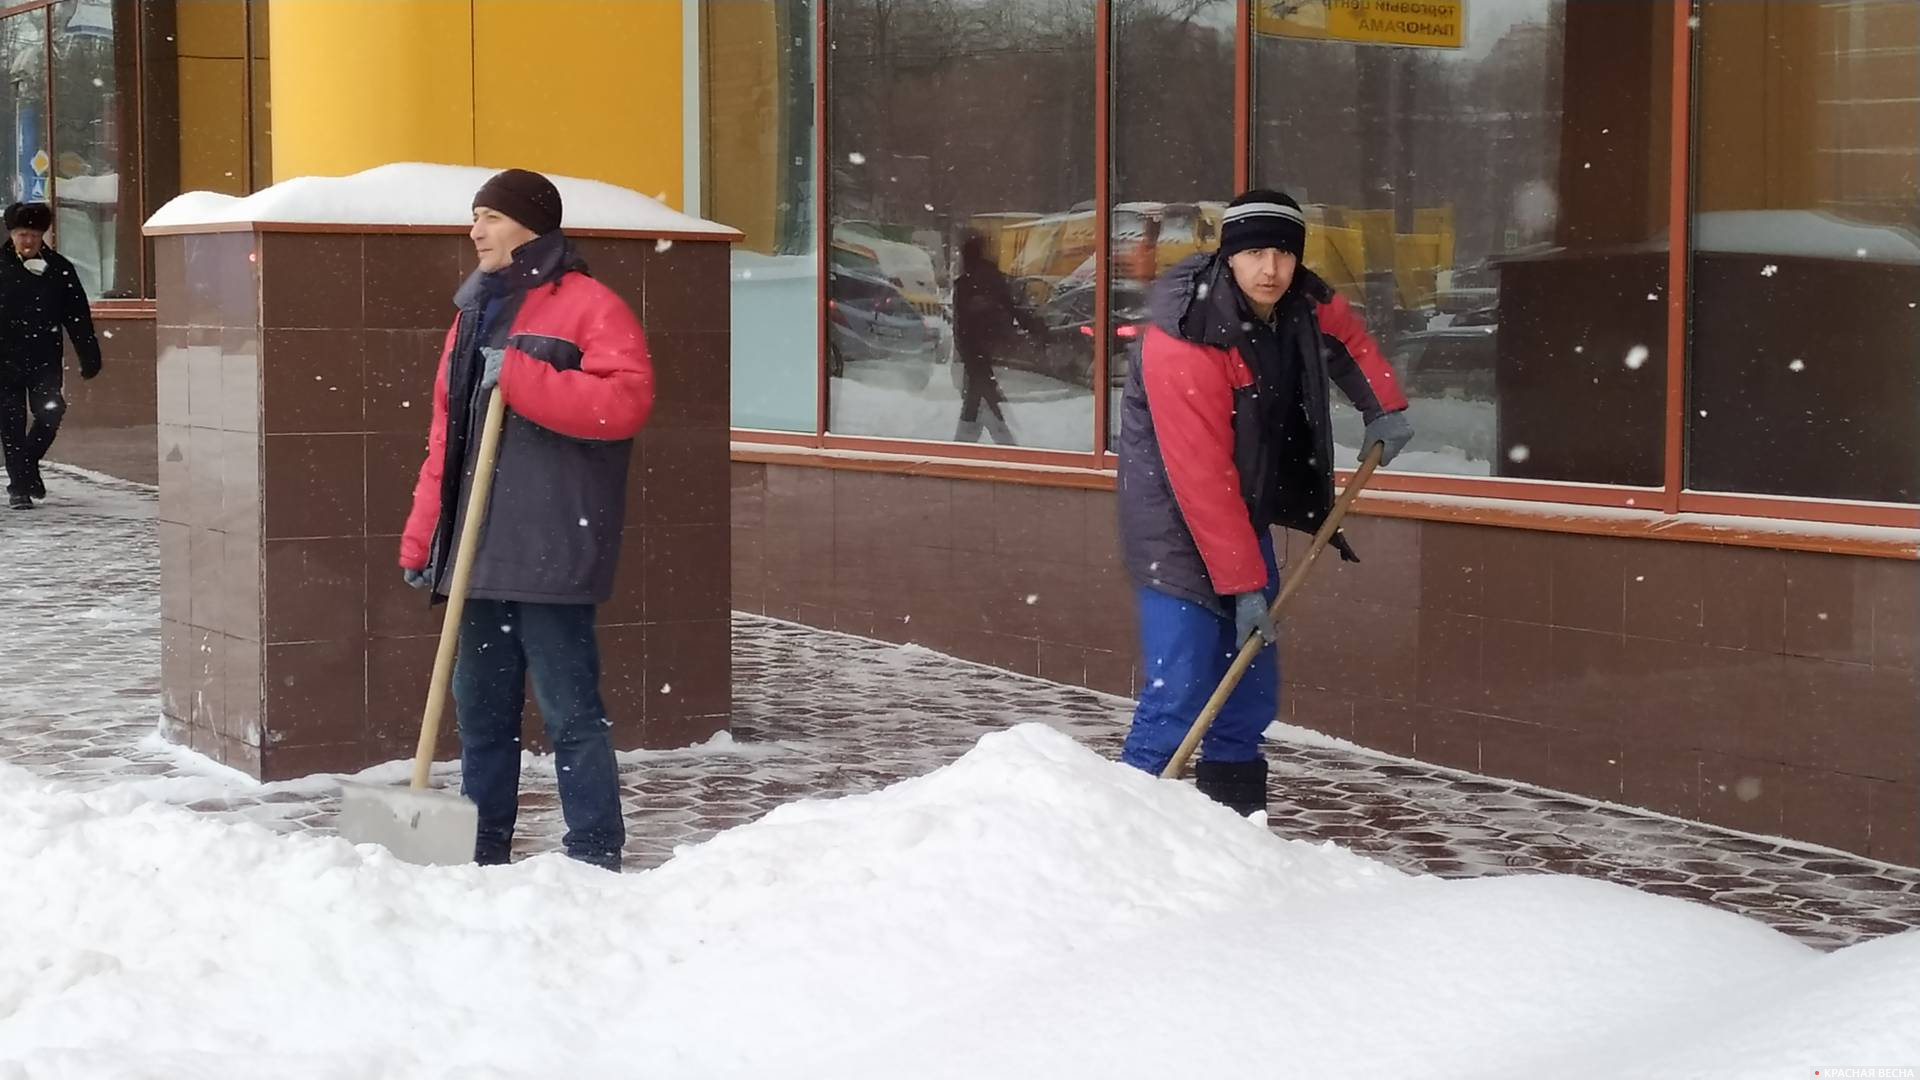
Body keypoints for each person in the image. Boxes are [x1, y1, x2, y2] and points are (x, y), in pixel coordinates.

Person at [1114, 189, 1413, 815]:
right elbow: (1198, 474)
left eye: (1282, 252)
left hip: (1237, 516)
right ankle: (1123, 824)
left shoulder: (1300, 299)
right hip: (1173, 523)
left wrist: (1383, 406)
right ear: (1228, 256)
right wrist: (1243, 583)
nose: (1270, 269)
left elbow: (1347, 341)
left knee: (1249, 688)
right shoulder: (1186, 336)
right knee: (1185, 688)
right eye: (1254, 253)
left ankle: (1236, 824)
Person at [398, 169, 655, 870]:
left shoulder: (590, 307)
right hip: (476, 552)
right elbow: (444, 441)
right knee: (482, 717)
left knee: (571, 714)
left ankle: (595, 851)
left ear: (531, 224)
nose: (474, 230)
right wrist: (426, 534)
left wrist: (522, 376)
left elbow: (625, 403)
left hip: (550, 548)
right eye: (473, 216)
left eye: (489, 216)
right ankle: (484, 853)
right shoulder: (472, 311)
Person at [0, 201, 101, 510]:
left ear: (43, 235)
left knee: (50, 412)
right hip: (3, 361)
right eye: (21, 234)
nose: (27, 240)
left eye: (33, 234)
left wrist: (89, 354)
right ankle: (20, 487)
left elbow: (78, 316)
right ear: (11, 234)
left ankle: (27, 466)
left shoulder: (59, 269)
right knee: (11, 423)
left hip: (44, 359)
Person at [950, 231, 1048, 444]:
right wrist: (1034, 328)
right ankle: (990, 444)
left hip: (976, 349)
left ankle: (977, 445)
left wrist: (964, 351)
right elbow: (1012, 308)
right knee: (979, 396)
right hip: (991, 346)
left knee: (980, 396)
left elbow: (961, 325)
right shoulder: (992, 278)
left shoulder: (966, 283)